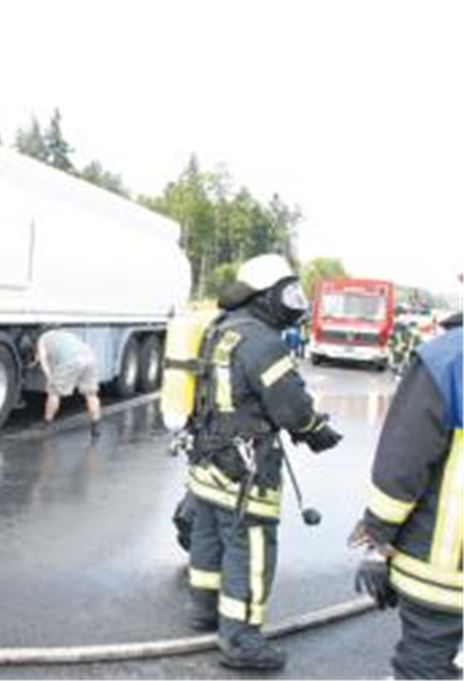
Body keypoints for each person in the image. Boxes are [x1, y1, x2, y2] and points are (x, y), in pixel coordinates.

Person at [183, 254, 342, 671]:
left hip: (208, 460)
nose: (293, 302)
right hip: (246, 472)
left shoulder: (221, 329)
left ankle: (204, 611)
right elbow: (290, 405)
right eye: (287, 293)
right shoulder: (262, 342)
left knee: (208, 537)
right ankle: (241, 640)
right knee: (250, 550)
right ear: (265, 296)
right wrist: (316, 430)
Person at [348, 310, 461, 679]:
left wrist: (377, 540)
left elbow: (402, 466)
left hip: (444, 566)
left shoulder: (448, 359)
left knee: (423, 665)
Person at [35, 328, 102, 436]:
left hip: (71, 359)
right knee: (91, 394)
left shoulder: (42, 339)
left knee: (54, 392)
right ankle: (95, 427)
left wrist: (50, 378)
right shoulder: (65, 334)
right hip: (89, 356)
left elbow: (43, 361)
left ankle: (47, 423)